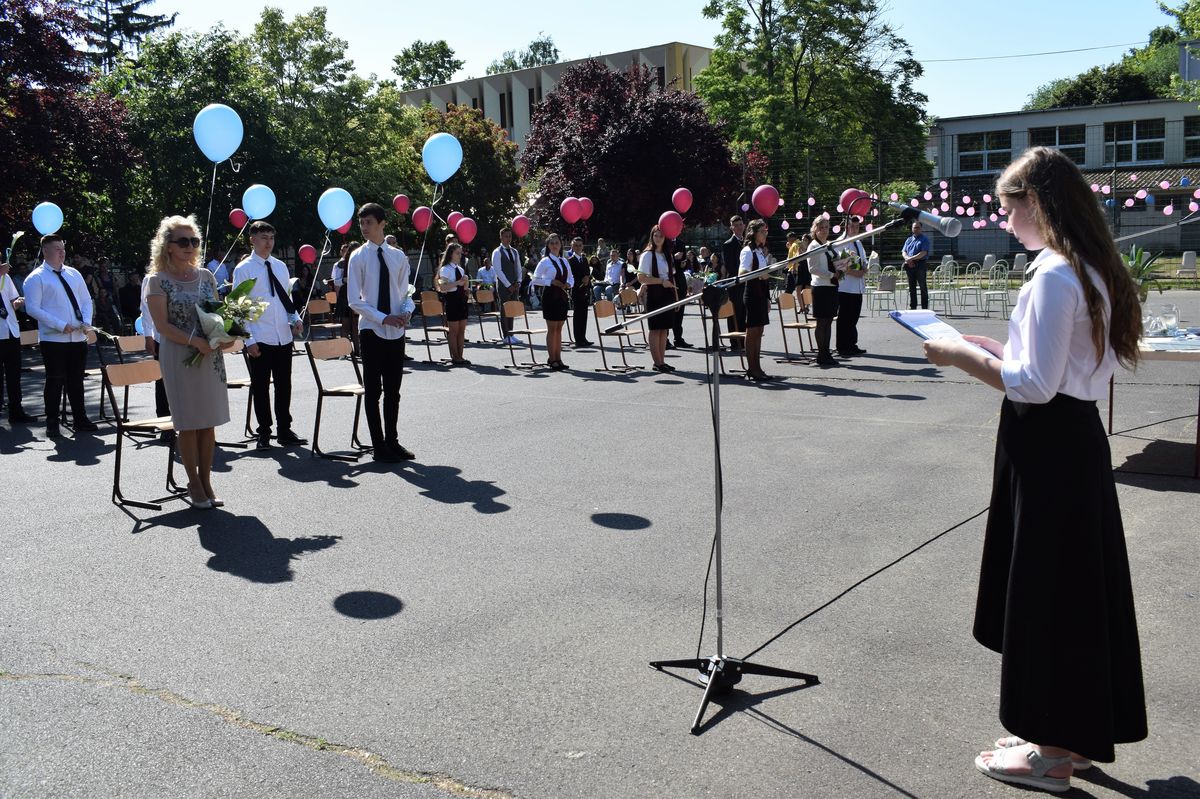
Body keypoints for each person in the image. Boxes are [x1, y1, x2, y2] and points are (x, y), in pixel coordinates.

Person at [922, 147, 1145, 794]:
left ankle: (1049, 754)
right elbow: (1061, 366)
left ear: (1037, 203)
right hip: (1074, 442)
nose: (1005, 218)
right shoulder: (1090, 266)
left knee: (1047, 594)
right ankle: (1068, 738)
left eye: (1008, 207)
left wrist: (959, 355)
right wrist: (998, 348)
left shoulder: (1053, 274)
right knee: (1075, 594)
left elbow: (1035, 385)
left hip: (1048, 446)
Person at [144, 216, 235, 508]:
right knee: (188, 423)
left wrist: (226, 335)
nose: (189, 246)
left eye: (194, 241)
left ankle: (207, 481)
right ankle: (193, 483)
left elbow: (215, 315)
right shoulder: (157, 280)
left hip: (209, 356)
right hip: (179, 356)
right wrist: (195, 341)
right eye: (182, 241)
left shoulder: (207, 276)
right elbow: (162, 326)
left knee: (207, 422)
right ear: (167, 246)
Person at [347, 202, 416, 463]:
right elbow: (354, 300)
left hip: (395, 332)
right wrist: (383, 317)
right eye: (361, 223)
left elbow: (405, 294)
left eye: (369, 222)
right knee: (373, 390)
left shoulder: (398, 256)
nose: (364, 227)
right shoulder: (358, 257)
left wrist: (406, 311)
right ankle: (378, 445)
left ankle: (392, 441)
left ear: (382, 224)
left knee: (393, 391)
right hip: (372, 330)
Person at [232, 220, 307, 451]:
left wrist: (295, 319)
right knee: (261, 386)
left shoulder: (280, 266)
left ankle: (285, 429)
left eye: (271, 238)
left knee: (284, 385)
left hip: (282, 335)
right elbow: (237, 308)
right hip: (260, 336)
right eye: (263, 238)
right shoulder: (244, 269)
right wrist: (249, 340)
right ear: (252, 240)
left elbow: (286, 298)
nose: (268, 243)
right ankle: (264, 432)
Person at [23, 234, 97, 437]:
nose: (62, 252)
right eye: (57, 249)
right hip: (54, 339)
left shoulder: (74, 273)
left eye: (63, 248)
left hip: (77, 338)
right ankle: (52, 423)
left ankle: (80, 419)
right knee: (55, 380)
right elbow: (32, 308)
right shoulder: (36, 278)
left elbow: (86, 300)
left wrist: (86, 322)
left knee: (76, 380)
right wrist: (60, 325)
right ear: (45, 251)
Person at [0, 261, 36, 423]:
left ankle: (16, 410)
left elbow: (11, 303)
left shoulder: (5, 277)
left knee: (14, 374)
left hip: (10, 330)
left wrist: (18, 303)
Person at [531, 233, 572, 370]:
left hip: (562, 297)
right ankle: (552, 359)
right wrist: (550, 282)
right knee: (552, 328)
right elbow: (535, 279)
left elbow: (571, 277)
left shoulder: (564, 261)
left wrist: (569, 284)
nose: (554, 245)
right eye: (552, 243)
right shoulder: (545, 261)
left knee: (559, 328)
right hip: (550, 296)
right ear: (548, 246)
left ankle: (558, 358)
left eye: (557, 243)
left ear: (561, 245)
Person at [638, 225, 676, 373]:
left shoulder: (667, 254)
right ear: (652, 237)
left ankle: (662, 361)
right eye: (656, 235)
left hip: (667, 294)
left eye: (661, 236)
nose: (658, 238)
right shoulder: (647, 255)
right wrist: (660, 281)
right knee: (655, 328)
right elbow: (641, 277)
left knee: (664, 328)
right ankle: (657, 362)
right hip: (654, 294)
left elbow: (671, 276)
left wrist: (675, 296)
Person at [739, 219, 773, 381]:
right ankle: (752, 368)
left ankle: (757, 367)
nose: (765, 234)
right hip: (752, 295)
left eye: (765, 231)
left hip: (760, 294)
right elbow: (742, 273)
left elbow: (765, 276)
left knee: (759, 332)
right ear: (754, 234)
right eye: (762, 231)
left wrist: (767, 298)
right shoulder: (747, 250)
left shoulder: (760, 251)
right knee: (752, 332)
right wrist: (760, 275)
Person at [805, 217, 840, 367]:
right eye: (821, 227)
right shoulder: (813, 246)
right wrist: (832, 275)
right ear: (815, 229)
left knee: (829, 321)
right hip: (820, 287)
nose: (824, 230)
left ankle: (826, 353)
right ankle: (821, 354)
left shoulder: (829, 245)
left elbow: (836, 261)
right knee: (822, 322)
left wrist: (843, 265)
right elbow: (813, 269)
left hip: (832, 286)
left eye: (826, 227)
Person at [834, 215, 868, 357]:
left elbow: (863, 260)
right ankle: (842, 346)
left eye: (857, 226)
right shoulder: (841, 241)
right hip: (845, 287)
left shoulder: (858, 242)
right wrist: (856, 272)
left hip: (857, 287)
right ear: (846, 226)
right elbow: (839, 265)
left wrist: (865, 267)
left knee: (853, 318)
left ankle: (852, 344)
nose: (854, 229)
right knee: (844, 318)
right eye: (852, 226)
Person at [436, 242, 471, 366]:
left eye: (460, 253)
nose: (460, 256)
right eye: (457, 253)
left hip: (461, 301)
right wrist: (457, 283)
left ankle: (460, 356)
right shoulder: (445, 269)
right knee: (454, 330)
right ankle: (455, 357)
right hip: (452, 300)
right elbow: (442, 287)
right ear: (450, 254)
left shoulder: (460, 269)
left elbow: (464, 287)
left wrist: (466, 285)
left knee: (462, 330)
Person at [491, 228, 524, 345]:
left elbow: (518, 267)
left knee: (512, 309)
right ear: (501, 237)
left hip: (514, 284)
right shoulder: (497, 252)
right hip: (504, 285)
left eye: (510, 236)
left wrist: (518, 281)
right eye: (506, 236)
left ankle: (511, 333)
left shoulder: (514, 251)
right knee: (505, 310)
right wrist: (508, 285)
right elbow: (498, 270)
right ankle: (506, 335)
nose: (508, 238)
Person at [720, 215, 747, 346]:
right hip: (735, 283)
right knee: (735, 312)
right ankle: (735, 341)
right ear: (732, 228)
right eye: (736, 225)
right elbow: (730, 265)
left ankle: (744, 339)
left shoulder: (747, 242)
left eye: (740, 224)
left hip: (746, 282)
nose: (739, 227)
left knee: (744, 312)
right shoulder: (728, 244)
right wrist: (742, 274)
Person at [566, 236, 593, 347]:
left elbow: (587, 272)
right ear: (572, 246)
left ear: (582, 247)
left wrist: (587, 279)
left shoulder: (584, 259)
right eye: (576, 245)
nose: (578, 247)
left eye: (580, 245)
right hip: (577, 290)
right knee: (577, 315)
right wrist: (581, 280)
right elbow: (571, 276)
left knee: (584, 315)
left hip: (585, 290)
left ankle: (583, 337)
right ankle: (578, 339)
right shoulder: (570, 260)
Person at [902, 221, 931, 309]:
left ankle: (924, 308)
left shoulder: (924, 239)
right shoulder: (909, 240)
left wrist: (911, 259)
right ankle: (913, 307)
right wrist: (907, 258)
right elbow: (904, 251)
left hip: (920, 264)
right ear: (912, 229)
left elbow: (923, 252)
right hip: (909, 265)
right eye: (914, 227)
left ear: (921, 229)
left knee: (923, 287)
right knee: (912, 288)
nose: (916, 229)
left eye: (918, 228)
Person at [669, 249, 693, 349]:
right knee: (668, 314)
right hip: (669, 284)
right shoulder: (664, 246)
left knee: (679, 315)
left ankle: (678, 339)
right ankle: (664, 340)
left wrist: (683, 264)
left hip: (680, 283)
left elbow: (683, 266)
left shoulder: (680, 244)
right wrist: (674, 259)